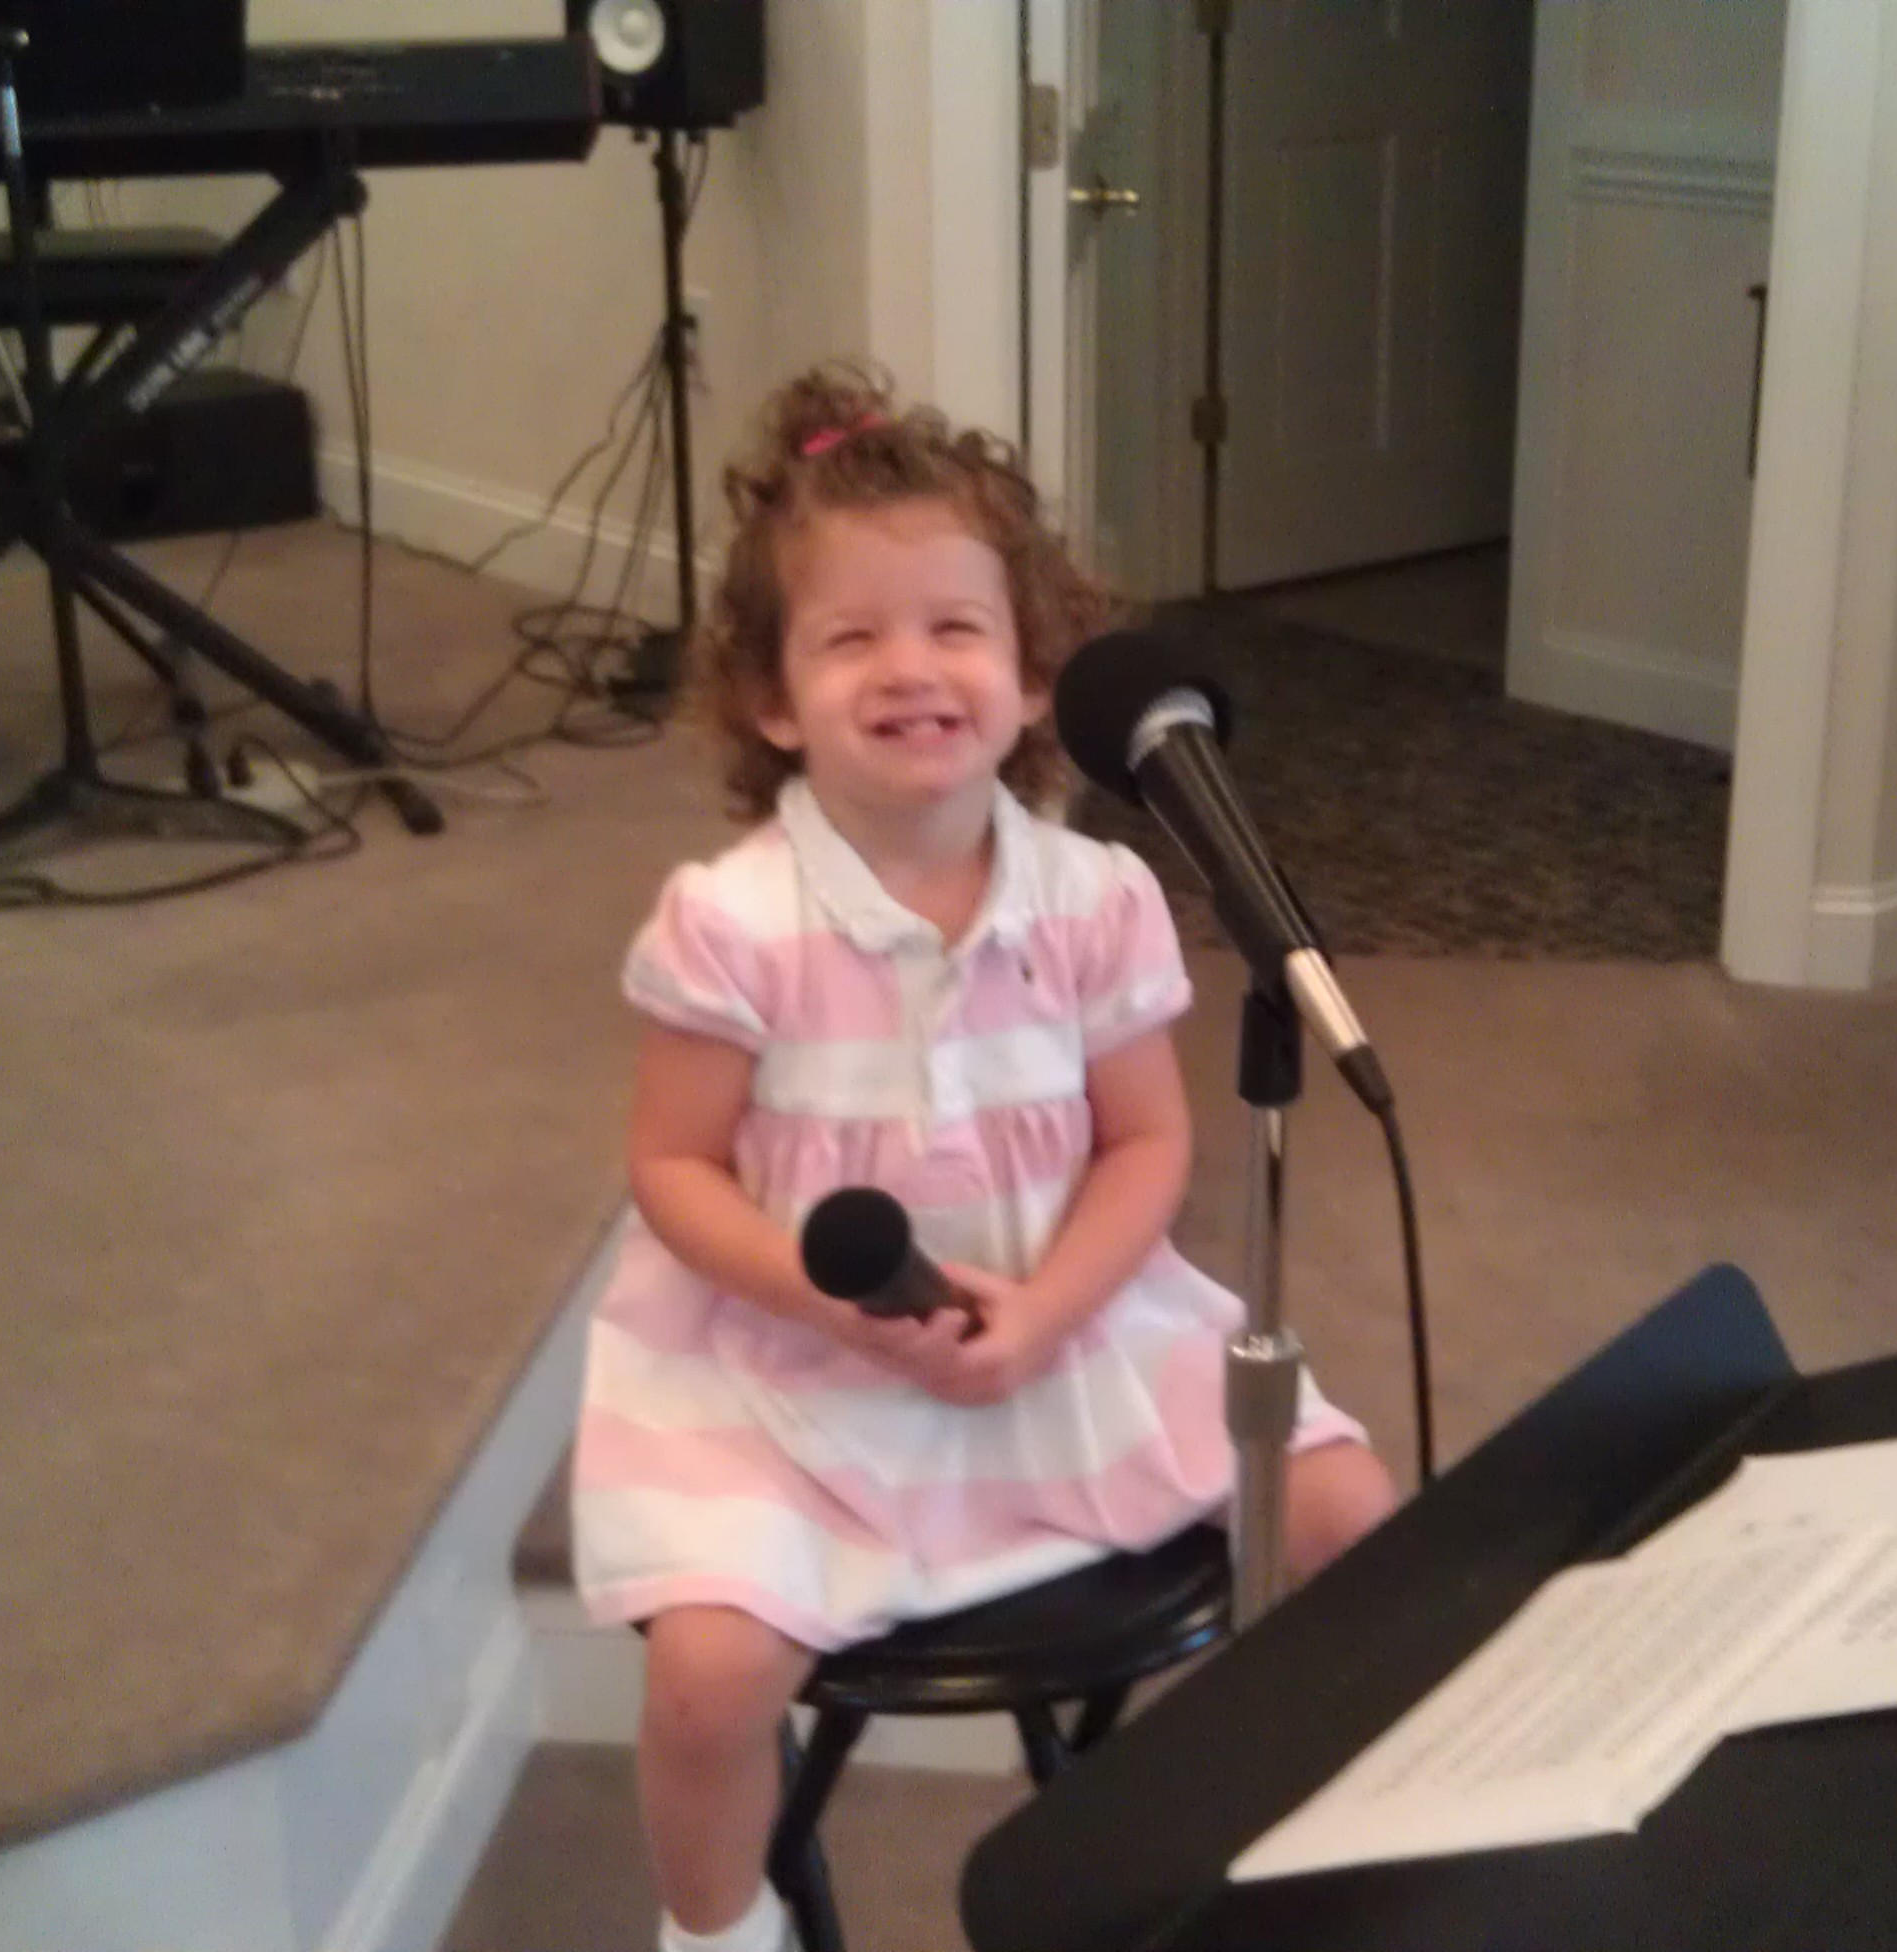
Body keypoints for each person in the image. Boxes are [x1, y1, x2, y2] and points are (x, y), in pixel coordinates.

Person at [572, 364, 1396, 1952]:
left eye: (956, 627)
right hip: (795, 1363)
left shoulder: (1096, 899)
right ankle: (715, 1931)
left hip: (1072, 1319)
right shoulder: (730, 921)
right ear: (770, 698)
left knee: (1355, 1516)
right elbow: (671, 1172)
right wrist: (821, 1300)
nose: (911, 667)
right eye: (851, 638)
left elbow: (1147, 1142)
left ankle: (1318, 1866)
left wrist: (1051, 1313)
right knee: (711, 1679)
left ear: (1030, 679)